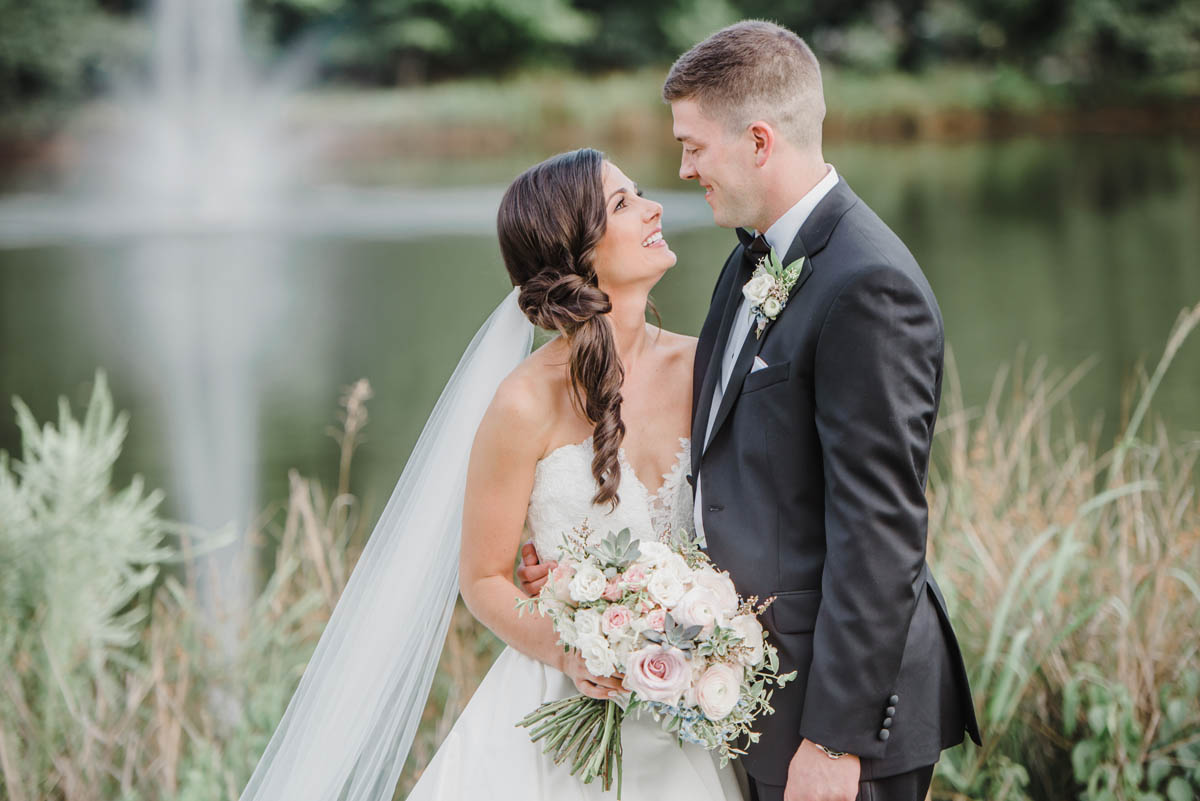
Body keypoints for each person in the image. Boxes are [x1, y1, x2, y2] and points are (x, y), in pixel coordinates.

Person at [520, 21, 982, 801]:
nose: (683, 167)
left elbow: (880, 531)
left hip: (837, 721)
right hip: (747, 698)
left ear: (760, 142)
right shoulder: (748, 260)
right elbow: (732, 472)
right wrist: (596, 582)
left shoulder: (869, 286)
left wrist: (834, 741)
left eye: (694, 145)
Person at [238, 147, 745, 801]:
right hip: (563, 714)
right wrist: (568, 646)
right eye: (623, 203)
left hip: (693, 704)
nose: (653, 208)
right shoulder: (522, 403)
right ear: (578, 249)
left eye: (639, 193)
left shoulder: (708, 367)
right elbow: (481, 578)